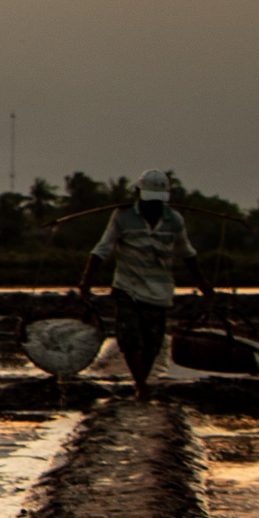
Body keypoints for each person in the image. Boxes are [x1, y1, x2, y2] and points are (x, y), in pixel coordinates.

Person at [78, 168, 209, 399]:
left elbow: (187, 254)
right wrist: (86, 281)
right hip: (127, 287)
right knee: (130, 337)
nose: (153, 206)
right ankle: (141, 385)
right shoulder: (122, 217)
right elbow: (102, 249)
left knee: (152, 343)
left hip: (159, 292)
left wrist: (203, 285)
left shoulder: (174, 220)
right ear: (139, 194)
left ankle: (142, 382)